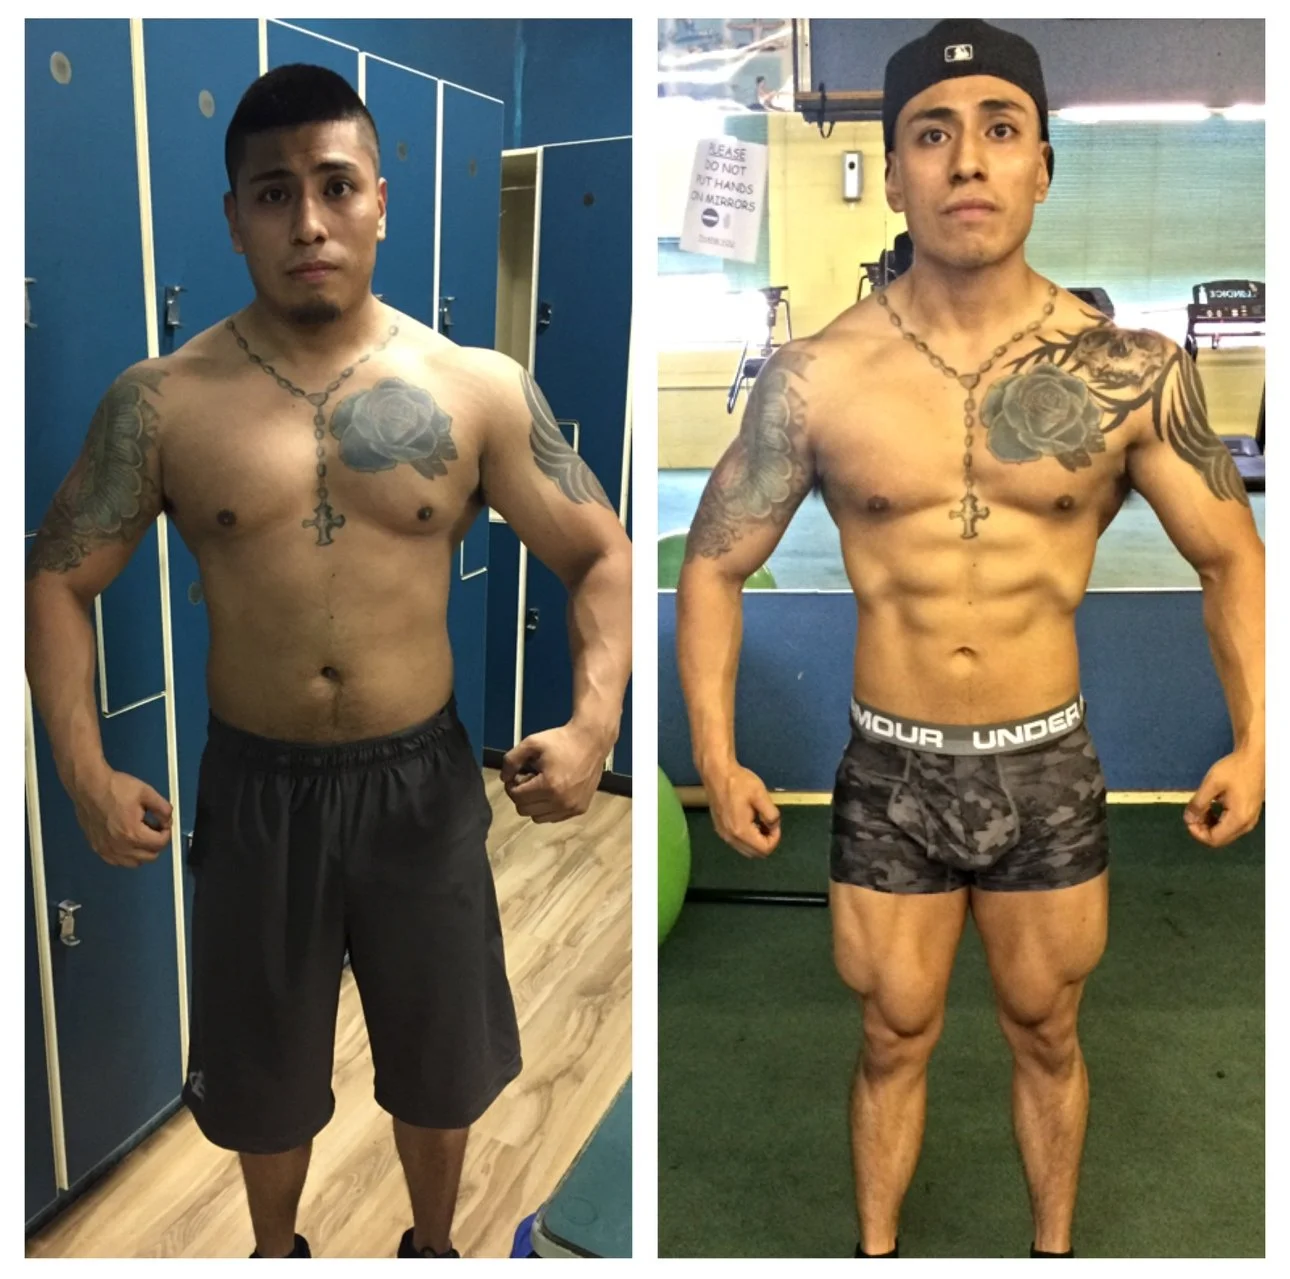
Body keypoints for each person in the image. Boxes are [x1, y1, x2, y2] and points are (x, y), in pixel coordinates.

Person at [676, 18, 1263, 1260]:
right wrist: (719, 756)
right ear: (892, 173)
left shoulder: (1136, 371)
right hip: (889, 771)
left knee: (1048, 1030)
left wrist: (1261, 737)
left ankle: (1051, 1252)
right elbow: (716, 564)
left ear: (1045, 164)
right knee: (892, 1035)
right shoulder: (814, 377)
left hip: (1048, 764)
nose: (967, 162)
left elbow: (1232, 557)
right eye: (932, 136)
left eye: (1000, 130)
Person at [25, 64, 632, 1260]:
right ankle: (275, 1250)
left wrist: (595, 721)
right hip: (257, 792)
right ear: (235, 216)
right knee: (263, 1069)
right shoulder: (159, 405)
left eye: (335, 186)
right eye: (273, 192)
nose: (307, 220)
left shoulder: (478, 390)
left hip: (421, 786)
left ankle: (431, 1245)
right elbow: (58, 576)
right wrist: (84, 772)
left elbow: (601, 552)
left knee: (441, 1059)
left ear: (380, 202)